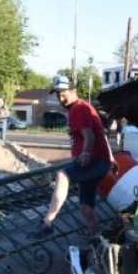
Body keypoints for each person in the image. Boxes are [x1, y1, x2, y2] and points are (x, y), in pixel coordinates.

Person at [29, 75, 113, 239]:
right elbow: (100, 134)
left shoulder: (78, 109)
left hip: (94, 161)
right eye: (58, 95)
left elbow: (90, 136)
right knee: (86, 208)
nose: (61, 99)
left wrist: (86, 153)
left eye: (63, 93)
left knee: (62, 175)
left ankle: (47, 222)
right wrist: (110, 158)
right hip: (100, 162)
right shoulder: (84, 107)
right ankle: (96, 239)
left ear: (73, 90)